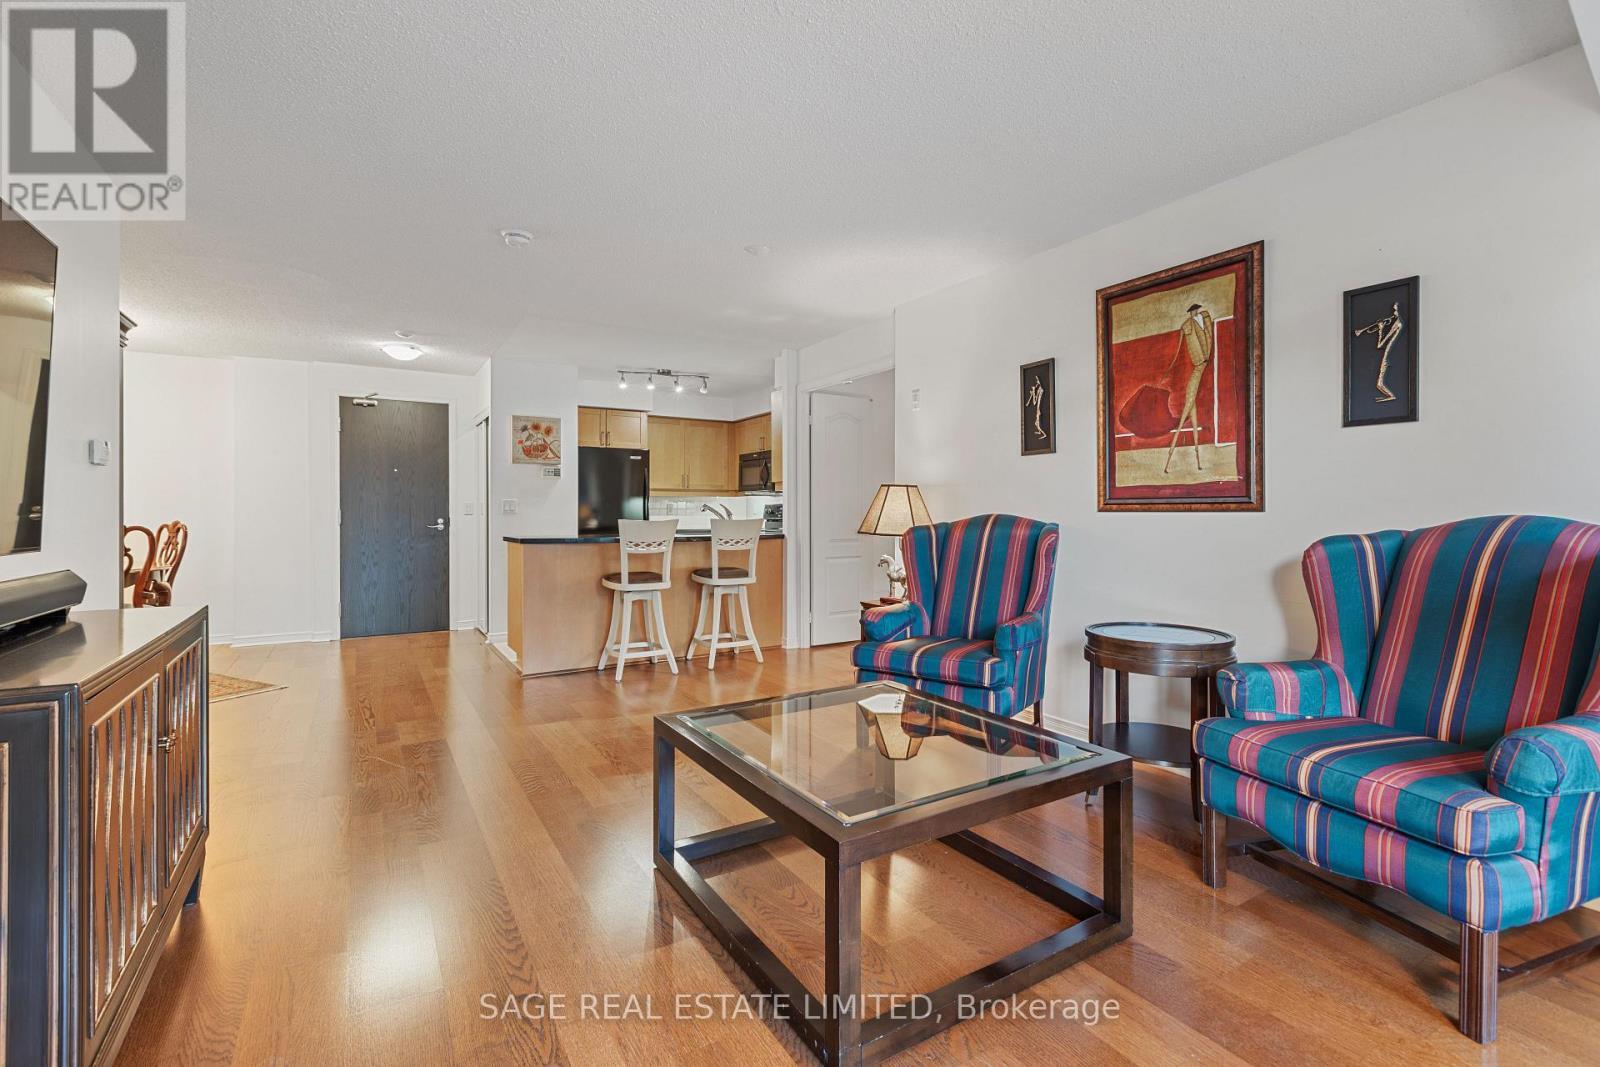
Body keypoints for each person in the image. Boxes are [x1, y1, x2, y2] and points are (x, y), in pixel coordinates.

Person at [1163, 302, 1213, 474]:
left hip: (1200, 369)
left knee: (1193, 413)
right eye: (1192, 312)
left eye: (1195, 311)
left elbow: (1207, 337)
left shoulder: (1205, 318)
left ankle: (1196, 461)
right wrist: (1169, 369)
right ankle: (1169, 460)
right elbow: (1178, 351)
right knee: (1187, 412)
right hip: (1196, 373)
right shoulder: (1187, 326)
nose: (1194, 313)